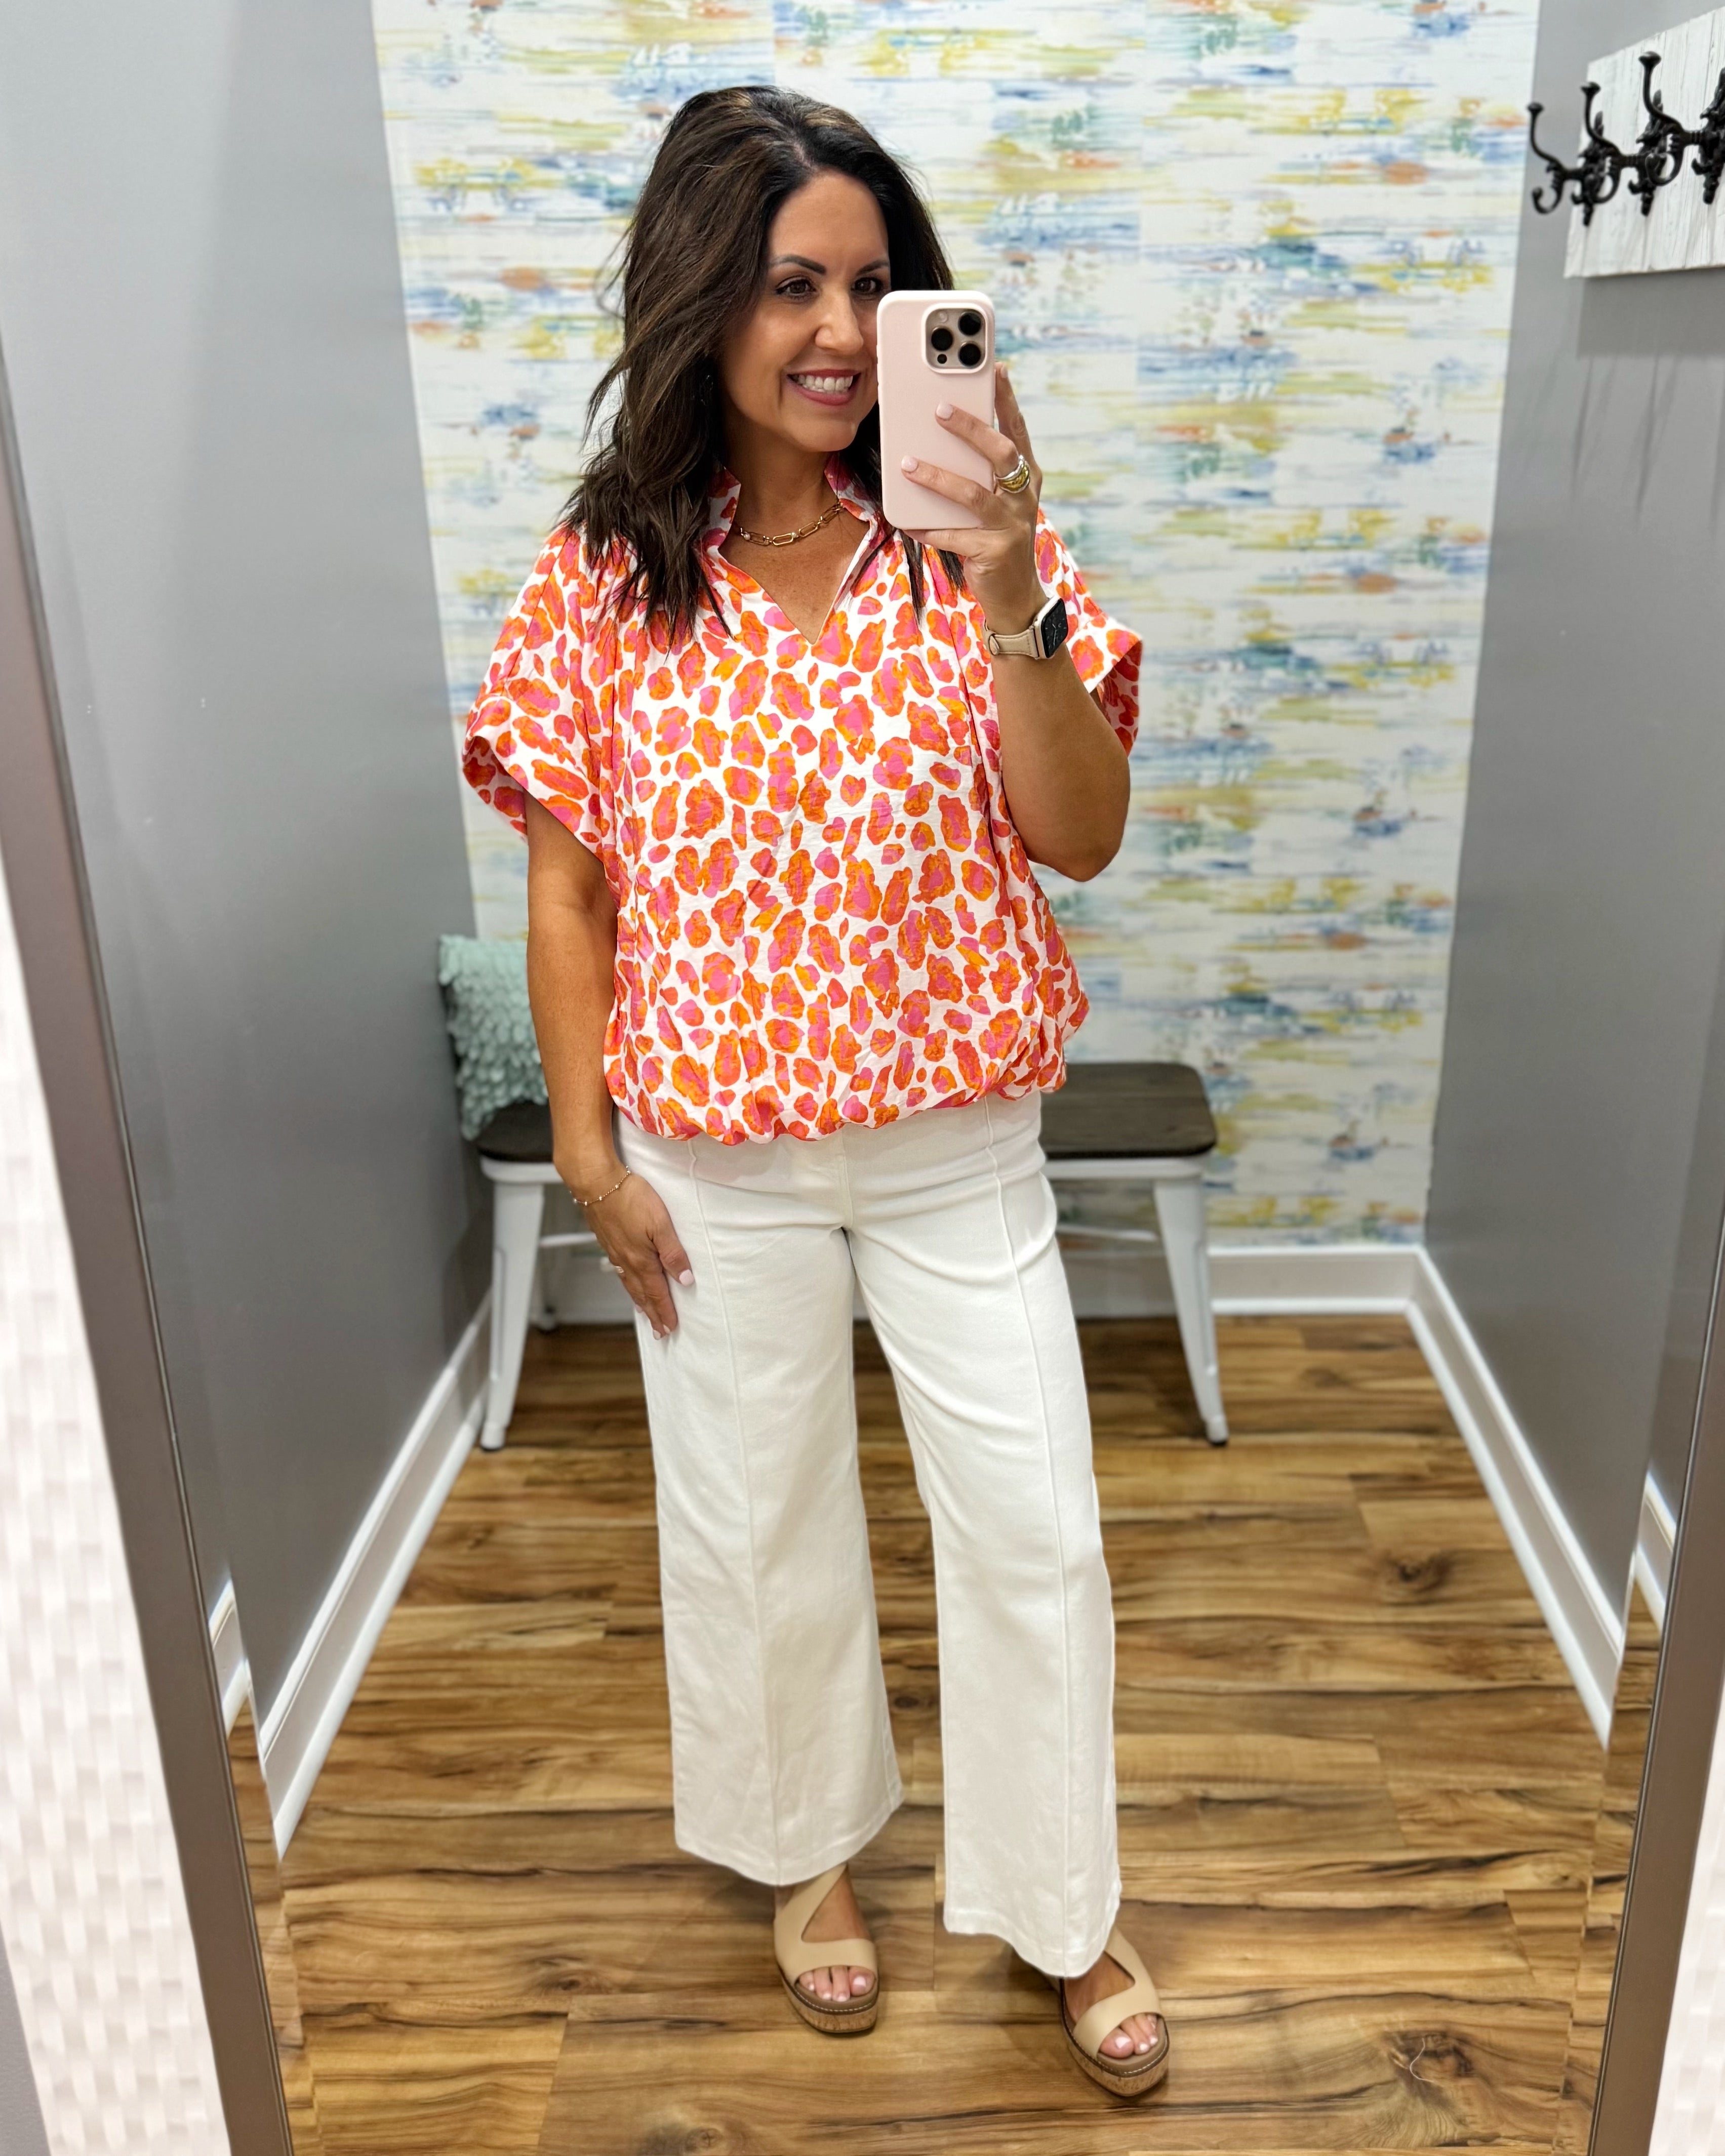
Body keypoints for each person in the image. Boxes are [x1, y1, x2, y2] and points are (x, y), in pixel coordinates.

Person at [463, 84, 1166, 2101]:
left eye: (872, 284)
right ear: (706, 297)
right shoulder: (608, 572)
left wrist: (1017, 577)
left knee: (1036, 1533)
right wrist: (586, 1147)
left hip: (960, 1154)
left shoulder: (966, 540)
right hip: (718, 1166)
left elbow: (1082, 831)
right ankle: (802, 1862)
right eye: (792, 286)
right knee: (757, 1531)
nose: (844, 332)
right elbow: (569, 890)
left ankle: (1061, 1903)